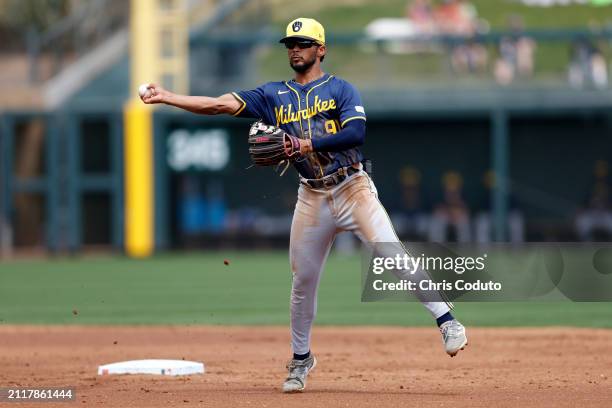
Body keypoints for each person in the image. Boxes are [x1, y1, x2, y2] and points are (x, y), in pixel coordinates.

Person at [140, 17, 468, 393]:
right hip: (311, 195)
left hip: (351, 187)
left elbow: (355, 132)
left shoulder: (341, 89)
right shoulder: (272, 95)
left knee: (391, 253)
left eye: (303, 42)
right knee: (303, 281)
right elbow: (217, 105)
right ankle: (300, 360)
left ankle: (446, 320)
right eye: (290, 43)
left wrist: (307, 145)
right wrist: (167, 97)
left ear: (321, 49)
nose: (295, 48)